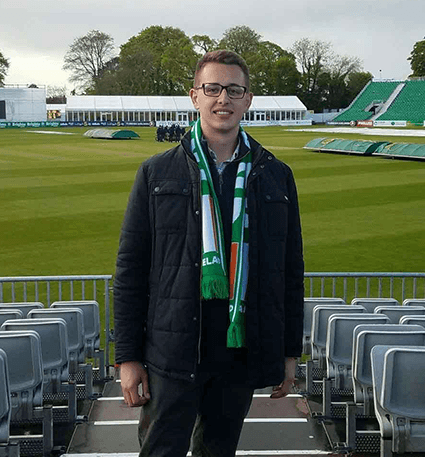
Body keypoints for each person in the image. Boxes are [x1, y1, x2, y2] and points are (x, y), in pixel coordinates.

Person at [114, 50, 304, 457]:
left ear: (248, 100)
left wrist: (289, 352)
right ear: (194, 96)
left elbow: (289, 270)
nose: (223, 100)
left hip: (238, 351)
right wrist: (127, 357)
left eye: (234, 90)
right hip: (171, 354)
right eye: (213, 88)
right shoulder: (156, 172)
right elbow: (130, 270)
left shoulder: (276, 174)